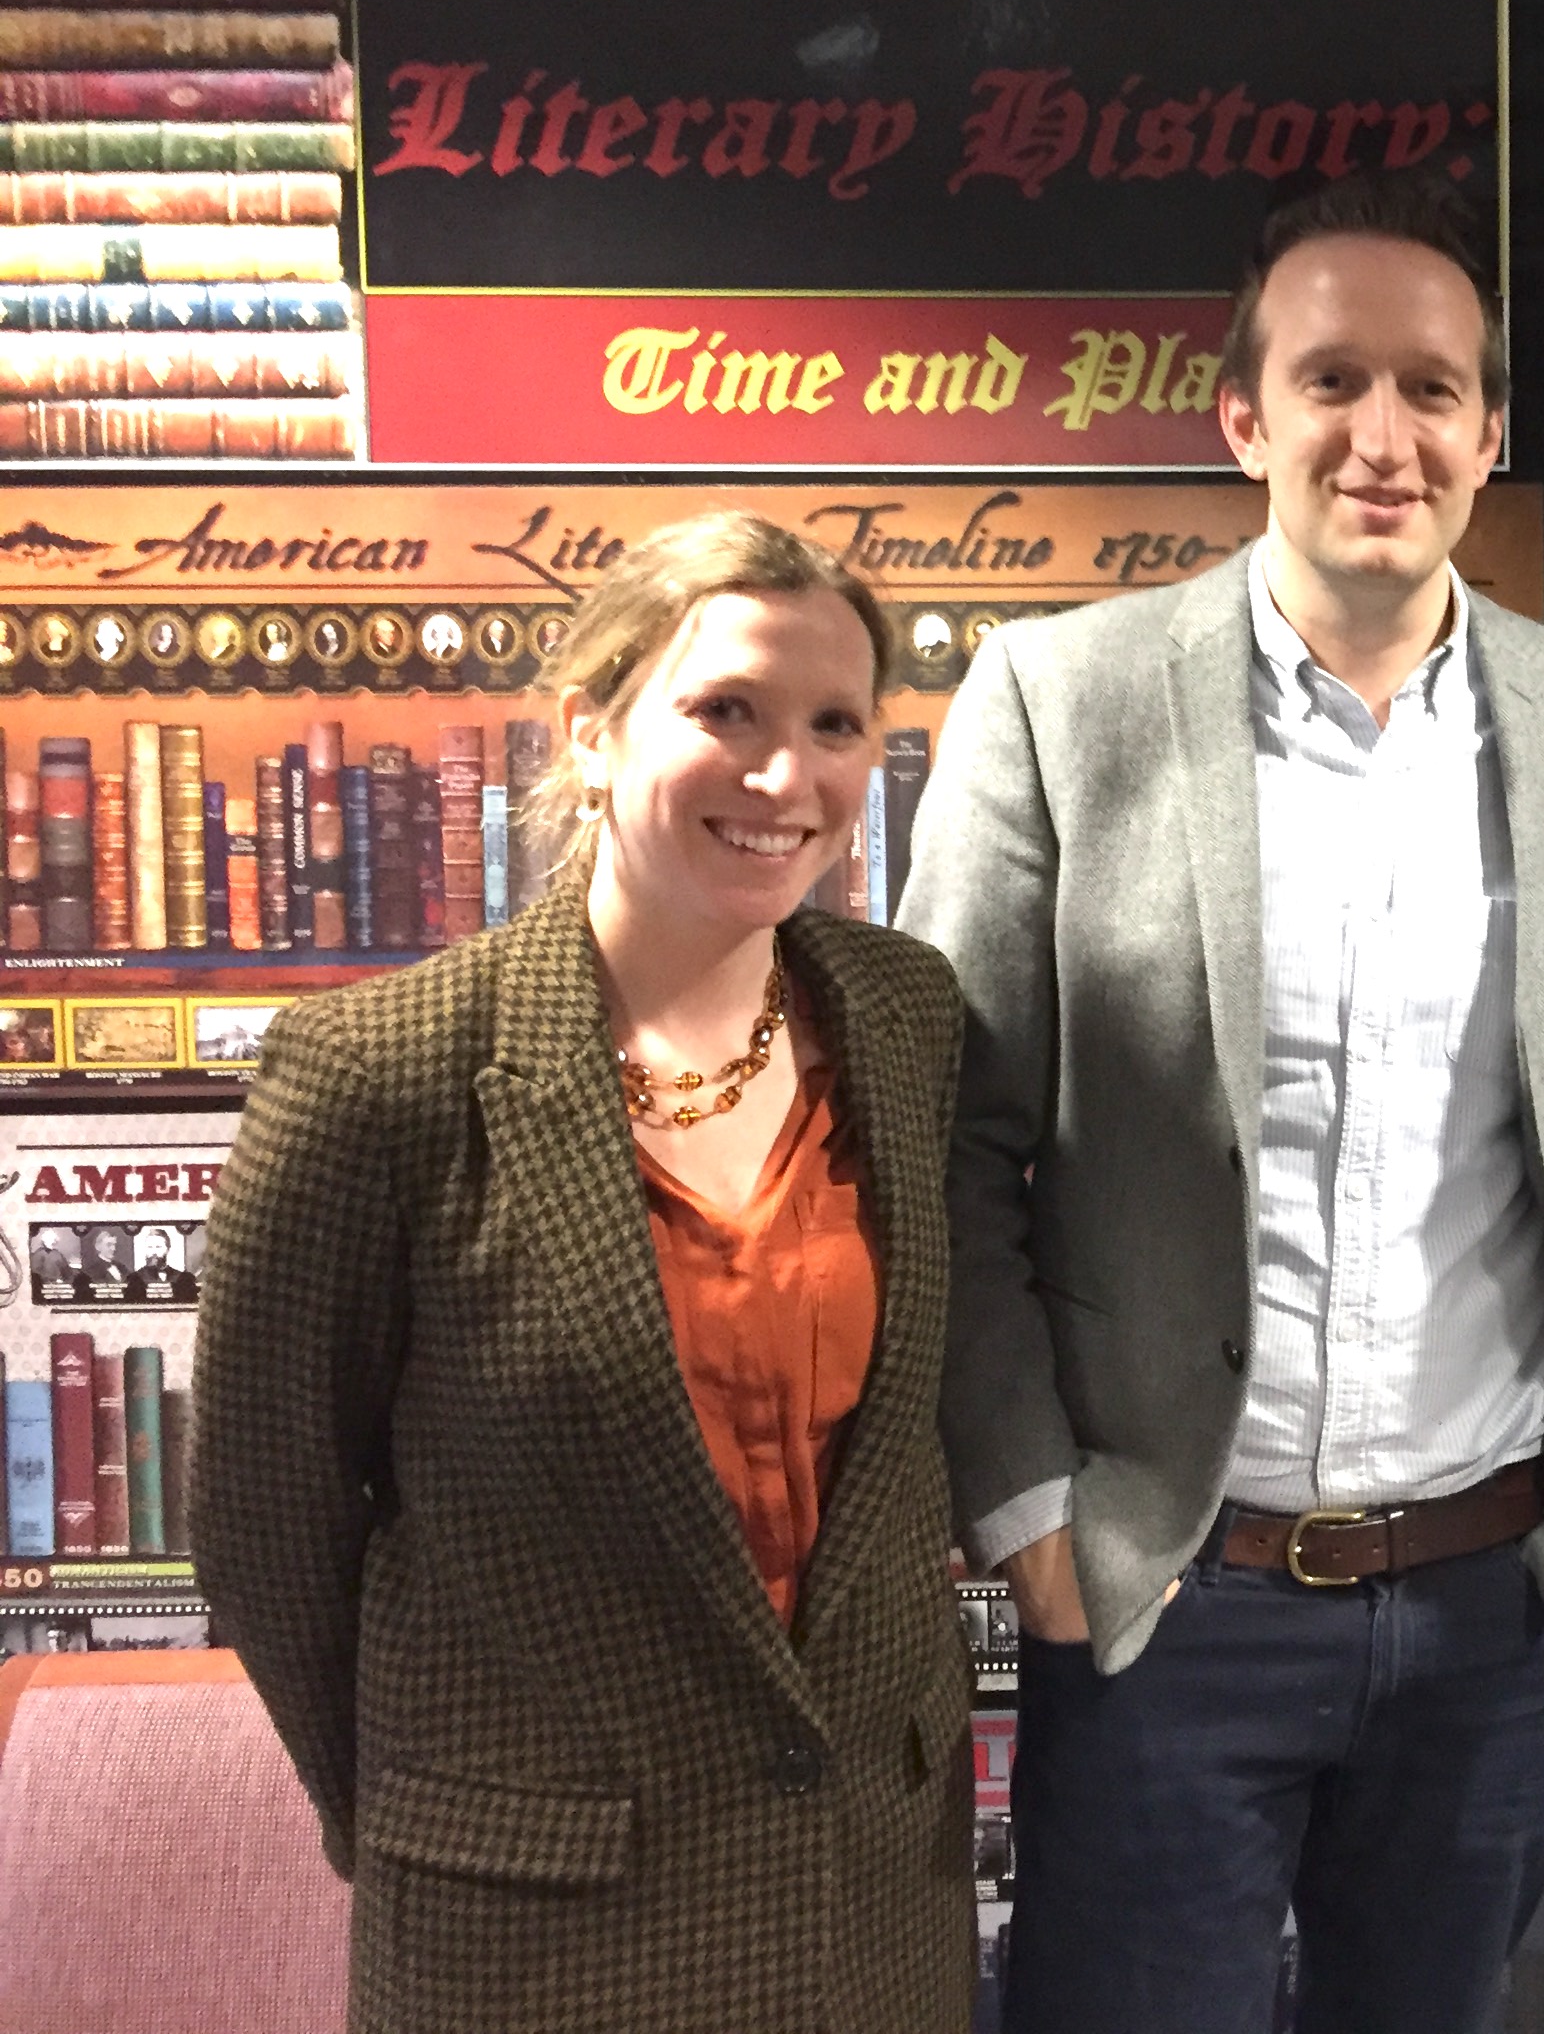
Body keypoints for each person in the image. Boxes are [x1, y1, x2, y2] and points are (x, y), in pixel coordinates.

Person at [899, 169, 1544, 2034]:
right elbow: (945, 1132)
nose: (1382, 434)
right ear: (1243, 413)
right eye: (1333, 379)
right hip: (1175, 1589)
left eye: (1432, 389)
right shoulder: (1054, 698)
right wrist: (1028, 1514)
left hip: (1496, 1591)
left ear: (1489, 433)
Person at [195, 511, 975, 2034]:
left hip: (871, 1906)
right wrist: (437, 1807)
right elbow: (263, 1521)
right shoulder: (383, 1073)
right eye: (724, 711)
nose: (783, 776)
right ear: (595, 733)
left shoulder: (906, 1018)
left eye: (833, 725)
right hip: (531, 1919)